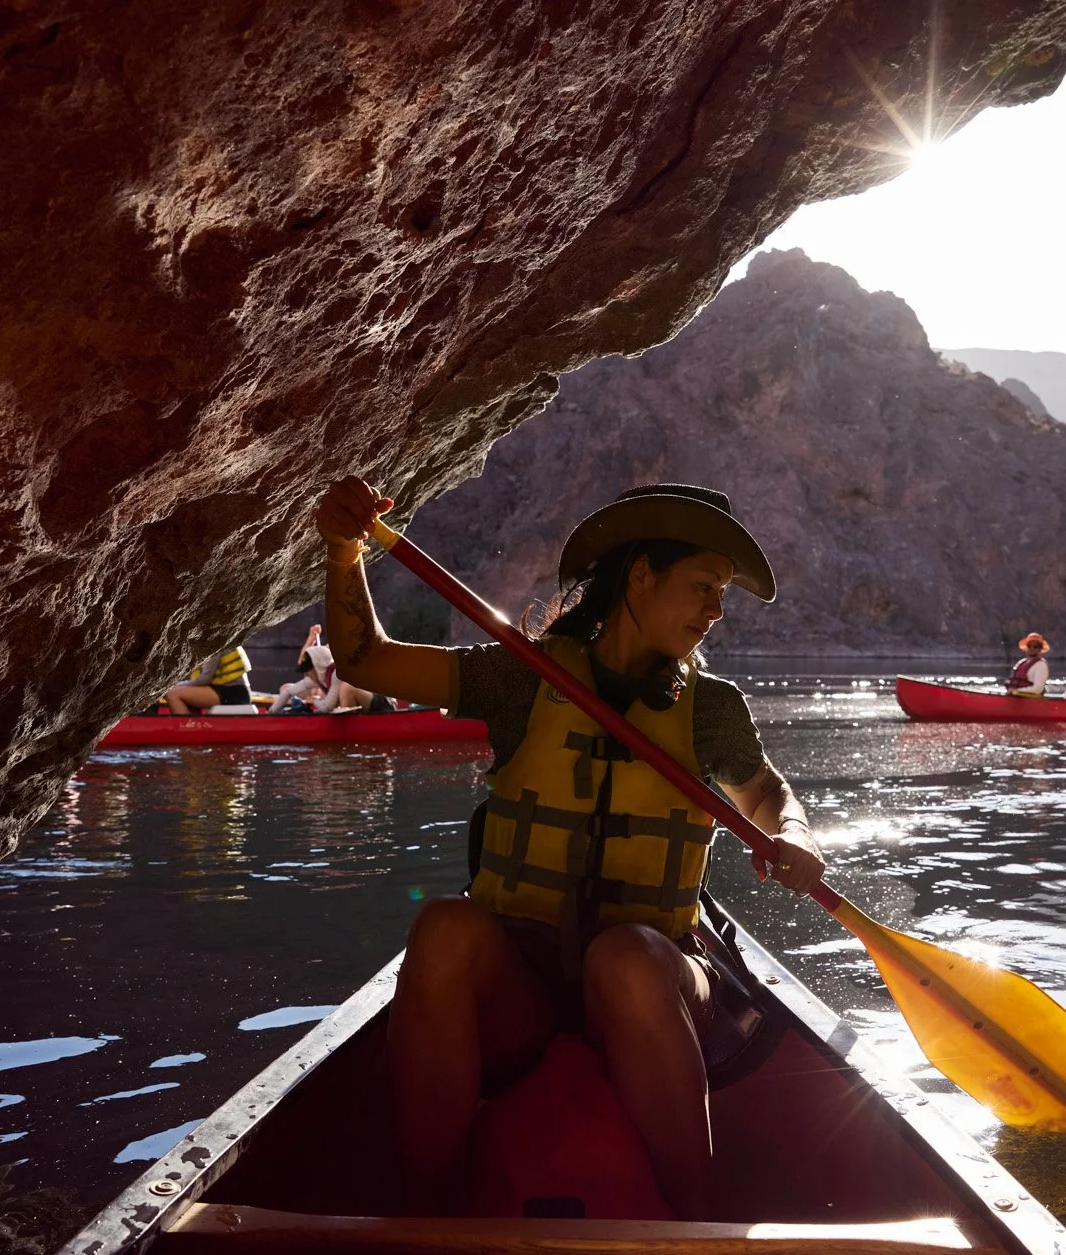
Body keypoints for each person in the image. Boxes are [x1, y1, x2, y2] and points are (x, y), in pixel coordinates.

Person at [313, 475, 825, 1219]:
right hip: (523, 993)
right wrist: (343, 548)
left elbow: (770, 796)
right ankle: (430, 1218)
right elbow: (363, 659)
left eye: (723, 595)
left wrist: (795, 836)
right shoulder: (524, 677)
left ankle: (692, 1222)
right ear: (641, 576)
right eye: (704, 586)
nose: (716, 611)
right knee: (443, 929)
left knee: (626, 959)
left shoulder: (712, 709)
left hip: (653, 990)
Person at [164, 644, 251, 714]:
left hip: (233, 692)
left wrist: (173, 686)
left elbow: (205, 679)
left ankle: (186, 731)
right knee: (182, 693)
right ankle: (194, 728)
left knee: (172, 693)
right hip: (225, 690)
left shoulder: (215, 644)